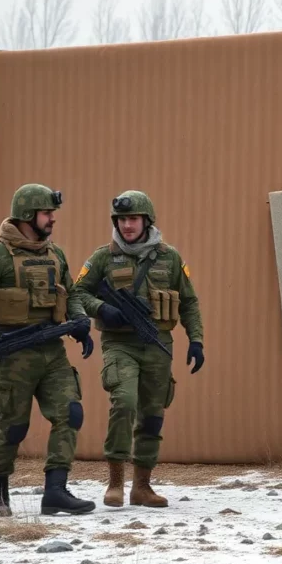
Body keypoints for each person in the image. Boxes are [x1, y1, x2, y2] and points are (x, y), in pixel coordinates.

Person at [0, 183, 97, 517]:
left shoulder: (55, 254)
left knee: (70, 413)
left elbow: (73, 292)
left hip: (52, 350)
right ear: (26, 215)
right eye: (47, 213)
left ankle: (55, 491)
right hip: (13, 353)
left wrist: (79, 321)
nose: (52, 220)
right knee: (14, 423)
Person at [73, 190, 203, 509]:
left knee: (153, 414)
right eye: (121, 220)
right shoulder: (103, 257)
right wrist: (103, 310)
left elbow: (188, 302)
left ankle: (142, 486)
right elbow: (78, 294)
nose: (127, 225)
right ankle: (115, 481)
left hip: (158, 344)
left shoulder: (169, 257)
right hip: (120, 344)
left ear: (147, 221)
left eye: (133, 219)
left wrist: (196, 340)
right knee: (125, 401)